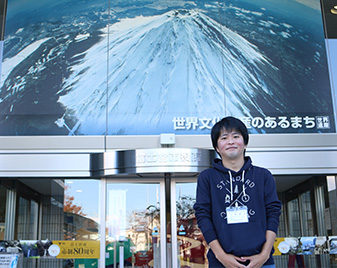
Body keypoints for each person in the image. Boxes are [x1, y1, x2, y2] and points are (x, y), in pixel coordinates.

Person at [193, 116, 281, 268]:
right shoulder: (207, 178)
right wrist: (221, 256)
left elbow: (273, 213)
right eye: (224, 138)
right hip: (221, 263)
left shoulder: (263, 176)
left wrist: (264, 255)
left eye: (236, 136)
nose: (231, 141)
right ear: (216, 147)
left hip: (262, 263)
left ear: (245, 143)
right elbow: (203, 216)